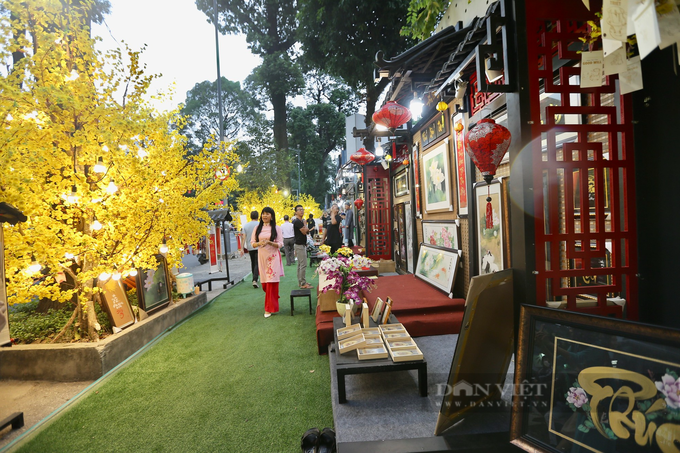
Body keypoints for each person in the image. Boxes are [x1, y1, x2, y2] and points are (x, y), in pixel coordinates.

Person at [250, 207, 284, 318]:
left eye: (267, 214)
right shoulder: (257, 228)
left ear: (272, 216)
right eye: (263, 214)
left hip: (273, 257)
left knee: (271, 282)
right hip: (262, 257)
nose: (264, 216)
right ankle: (273, 297)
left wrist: (269, 242)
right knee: (265, 284)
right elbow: (252, 243)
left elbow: (280, 244)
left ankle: (268, 309)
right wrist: (260, 243)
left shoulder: (277, 228)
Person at [292, 205, 313, 289]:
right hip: (299, 245)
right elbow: (305, 232)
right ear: (296, 212)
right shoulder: (298, 222)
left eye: (302, 209)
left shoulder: (299, 221)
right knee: (303, 264)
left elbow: (306, 232)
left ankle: (301, 281)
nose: (302, 211)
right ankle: (303, 283)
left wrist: (305, 227)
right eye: (299, 210)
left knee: (300, 264)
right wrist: (305, 225)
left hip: (300, 244)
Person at [242, 211, 260, 288]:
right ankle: (255, 279)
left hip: (250, 246)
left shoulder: (246, 226)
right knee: (257, 262)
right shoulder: (260, 224)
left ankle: (254, 277)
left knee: (253, 262)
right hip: (259, 245)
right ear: (258, 216)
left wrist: (242, 248)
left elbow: (243, 237)